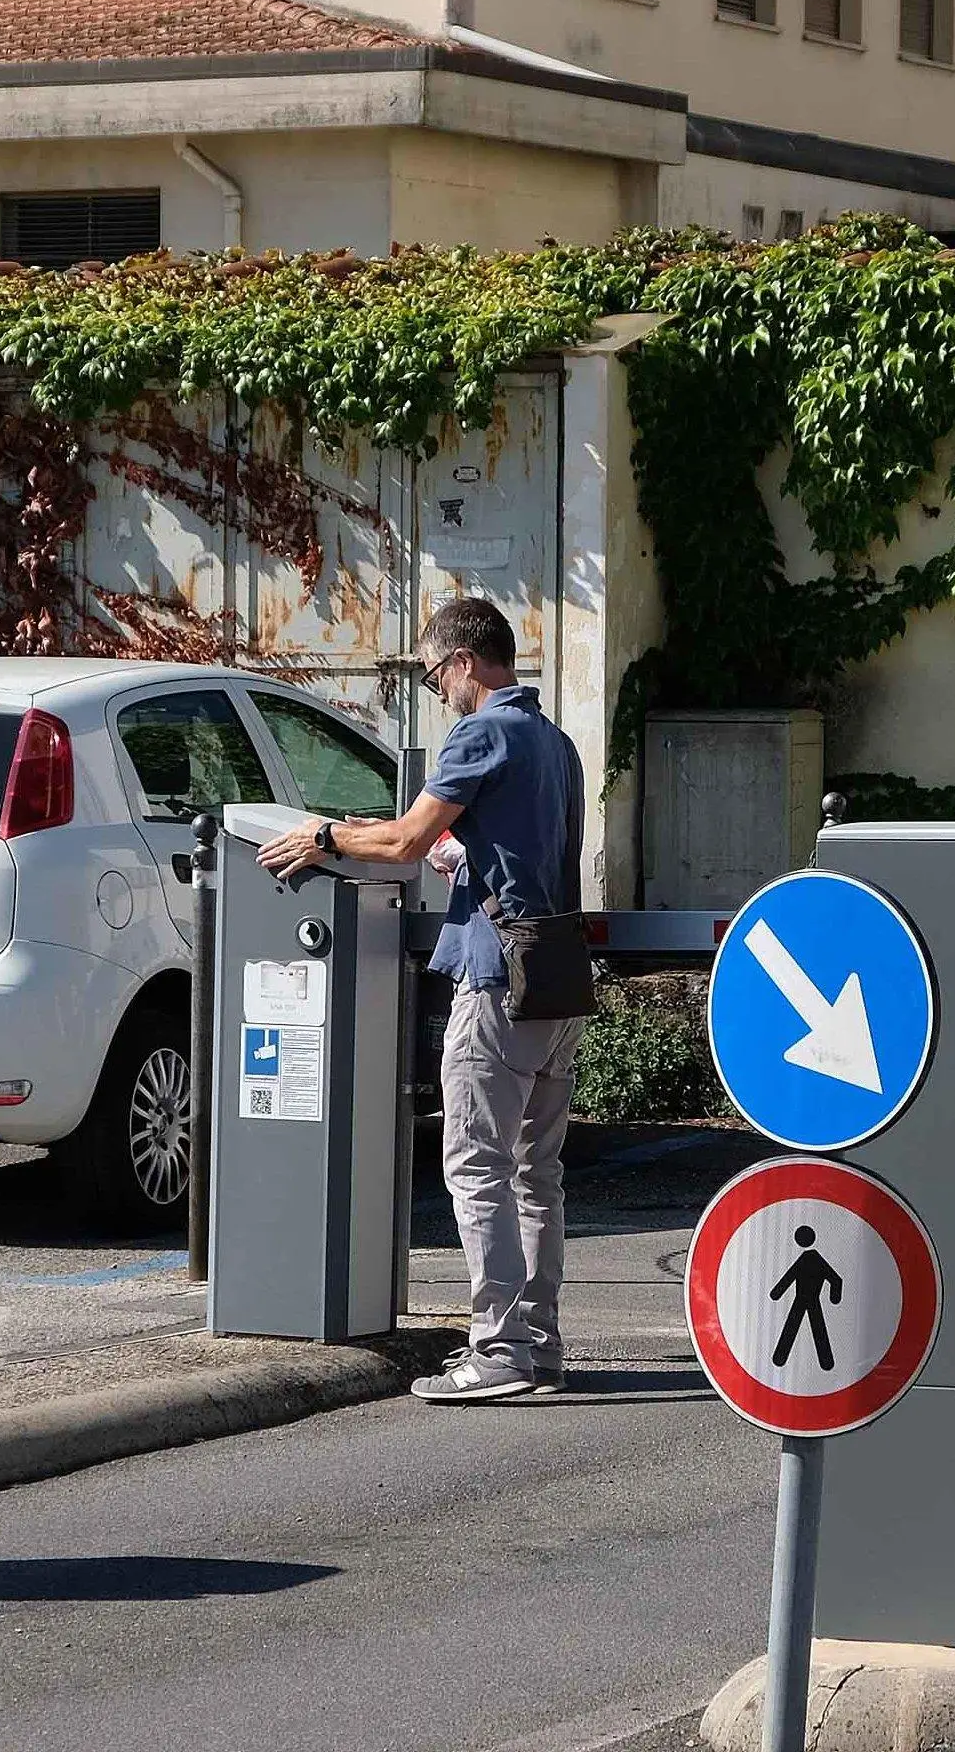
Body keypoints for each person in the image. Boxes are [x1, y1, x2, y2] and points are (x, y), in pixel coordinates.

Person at [257, 596, 590, 1403]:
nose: (437, 688)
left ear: (466, 662)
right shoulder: (555, 742)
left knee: (476, 1168)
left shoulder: (480, 732)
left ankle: (498, 1353)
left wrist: (326, 836)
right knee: (534, 1176)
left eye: (436, 672)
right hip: (557, 977)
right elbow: (509, 849)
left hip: (494, 978)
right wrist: (458, 856)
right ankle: (538, 1348)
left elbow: (404, 841)